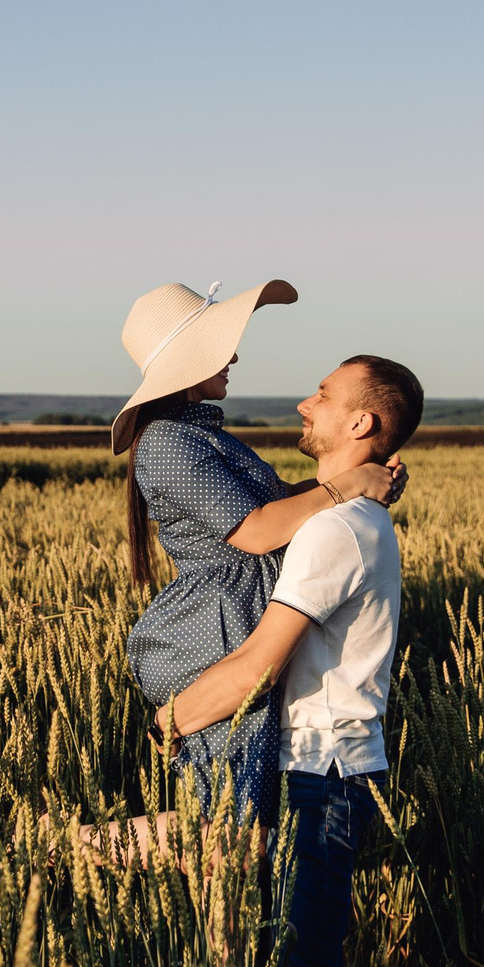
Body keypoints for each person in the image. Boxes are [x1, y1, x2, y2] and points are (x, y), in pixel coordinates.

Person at [155, 354, 423, 967]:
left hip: (320, 778)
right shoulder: (349, 521)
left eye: (325, 395)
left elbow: (259, 665)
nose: (304, 403)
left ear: (361, 426)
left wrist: (172, 716)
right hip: (327, 773)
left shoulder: (337, 532)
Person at [114, 281, 404, 824]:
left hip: (234, 624)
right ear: (187, 360)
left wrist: (362, 480)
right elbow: (258, 530)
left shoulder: (202, 435)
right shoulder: (166, 442)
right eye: (221, 345)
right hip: (211, 635)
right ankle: (63, 847)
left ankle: (67, 846)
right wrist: (350, 484)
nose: (236, 355)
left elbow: (279, 506)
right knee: (230, 831)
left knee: (236, 832)